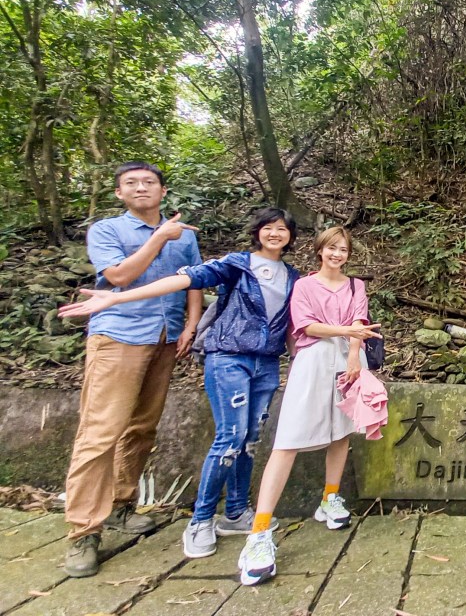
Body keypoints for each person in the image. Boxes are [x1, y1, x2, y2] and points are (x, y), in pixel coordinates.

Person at [59, 208, 301, 560]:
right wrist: (119, 296)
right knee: (230, 438)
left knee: (249, 439)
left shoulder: (293, 276)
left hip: (265, 362)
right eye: (268, 227)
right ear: (257, 232)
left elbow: (291, 324)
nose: (275, 233)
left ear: (291, 236)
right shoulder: (237, 264)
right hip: (228, 357)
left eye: (282, 229)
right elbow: (185, 279)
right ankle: (200, 520)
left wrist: (298, 361)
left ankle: (236, 512)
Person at [62, 161, 203, 578]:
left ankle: (121, 505)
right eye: (131, 183)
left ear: (163, 190)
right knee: (100, 431)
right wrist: (158, 238)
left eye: (149, 182)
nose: (141, 187)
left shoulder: (184, 235)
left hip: (165, 336)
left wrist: (191, 324)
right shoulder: (107, 230)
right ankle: (83, 531)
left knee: (142, 427)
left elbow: (194, 280)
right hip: (118, 336)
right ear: (119, 192)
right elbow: (120, 276)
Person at [238, 226, 381, 586]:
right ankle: (259, 531)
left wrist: (354, 355)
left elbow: (360, 322)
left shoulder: (355, 286)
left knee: (342, 432)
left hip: (349, 359)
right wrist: (347, 332)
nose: (337, 254)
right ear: (320, 250)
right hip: (313, 360)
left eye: (343, 249)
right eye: (331, 248)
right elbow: (307, 326)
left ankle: (330, 497)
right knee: (288, 440)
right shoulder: (303, 285)